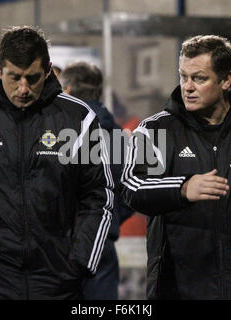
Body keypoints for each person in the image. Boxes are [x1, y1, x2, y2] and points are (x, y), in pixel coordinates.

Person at [0, 26, 113, 300]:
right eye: (14, 77)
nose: (24, 89)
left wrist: (80, 260)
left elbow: (98, 194)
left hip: (59, 282)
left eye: (33, 78)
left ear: (49, 70)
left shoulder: (78, 119)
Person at [121, 35, 231, 300]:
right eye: (183, 76)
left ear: (226, 80)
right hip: (178, 290)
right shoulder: (153, 132)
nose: (188, 87)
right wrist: (182, 188)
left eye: (199, 78)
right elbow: (132, 185)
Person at [59, 61, 133, 299]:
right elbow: (131, 191)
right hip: (104, 246)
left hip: (63, 245)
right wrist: (109, 220)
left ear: (67, 90)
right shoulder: (119, 137)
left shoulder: (58, 134)